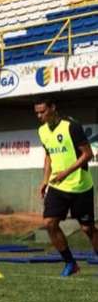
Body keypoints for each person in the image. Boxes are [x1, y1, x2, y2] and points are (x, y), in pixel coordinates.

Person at [35, 100, 97, 277]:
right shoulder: (42, 131)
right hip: (57, 186)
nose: (40, 116)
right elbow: (48, 156)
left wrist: (66, 173)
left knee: (88, 229)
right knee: (49, 223)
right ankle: (70, 263)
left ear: (53, 108)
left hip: (80, 185)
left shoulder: (72, 126)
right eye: (37, 113)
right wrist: (45, 180)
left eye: (43, 111)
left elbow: (88, 154)